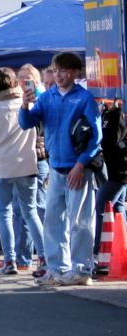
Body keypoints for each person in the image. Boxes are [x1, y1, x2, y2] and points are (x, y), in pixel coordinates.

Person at [20, 52, 101, 286]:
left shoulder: (84, 98)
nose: (59, 75)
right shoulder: (47, 97)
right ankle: (56, 269)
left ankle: (82, 269)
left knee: (81, 221)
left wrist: (81, 164)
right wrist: (25, 104)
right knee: (54, 221)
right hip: (55, 168)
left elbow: (96, 137)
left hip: (78, 169)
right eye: (56, 71)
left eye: (64, 71)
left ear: (76, 73)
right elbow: (27, 123)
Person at [0, 67, 45, 276]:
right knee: (31, 213)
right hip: (27, 163)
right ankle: (43, 257)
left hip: (1, 166)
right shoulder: (27, 103)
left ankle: (9, 261)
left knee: (4, 213)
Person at [14, 64, 49, 271]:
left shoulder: (42, 98)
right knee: (23, 211)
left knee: (39, 209)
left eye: (27, 78)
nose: (22, 82)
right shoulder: (20, 101)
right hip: (21, 159)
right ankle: (24, 259)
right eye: (20, 78)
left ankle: (45, 257)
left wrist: (31, 102)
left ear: (36, 81)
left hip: (40, 158)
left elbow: (38, 128)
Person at [96, 99, 127, 271]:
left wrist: (116, 110)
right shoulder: (106, 112)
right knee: (118, 210)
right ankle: (120, 253)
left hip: (118, 171)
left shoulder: (119, 113)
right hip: (111, 169)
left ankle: (100, 255)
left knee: (101, 207)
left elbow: (114, 138)